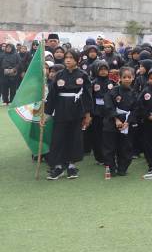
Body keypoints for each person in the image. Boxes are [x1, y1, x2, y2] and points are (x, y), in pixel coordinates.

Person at [45, 49, 93, 180]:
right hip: (61, 110)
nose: (68, 60)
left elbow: (88, 96)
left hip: (76, 110)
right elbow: (52, 95)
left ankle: (72, 166)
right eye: (66, 57)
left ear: (77, 60)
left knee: (75, 137)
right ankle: (58, 167)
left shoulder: (83, 75)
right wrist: (46, 114)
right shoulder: (59, 75)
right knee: (58, 138)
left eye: (71, 57)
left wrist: (88, 114)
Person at [103, 67, 137, 176]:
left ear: (133, 78)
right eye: (124, 77)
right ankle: (111, 168)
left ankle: (123, 168)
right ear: (120, 78)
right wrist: (116, 119)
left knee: (126, 147)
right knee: (110, 147)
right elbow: (108, 105)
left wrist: (128, 122)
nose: (127, 79)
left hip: (126, 123)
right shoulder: (113, 91)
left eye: (129, 77)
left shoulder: (134, 93)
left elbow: (136, 109)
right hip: (111, 122)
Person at [87, 60, 113, 163]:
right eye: (101, 69)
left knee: (108, 135)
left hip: (108, 112)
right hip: (97, 112)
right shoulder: (93, 83)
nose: (103, 71)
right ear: (96, 71)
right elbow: (90, 98)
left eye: (105, 69)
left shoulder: (112, 82)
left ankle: (108, 155)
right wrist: (91, 112)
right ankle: (99, 157)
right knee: (97, 135)